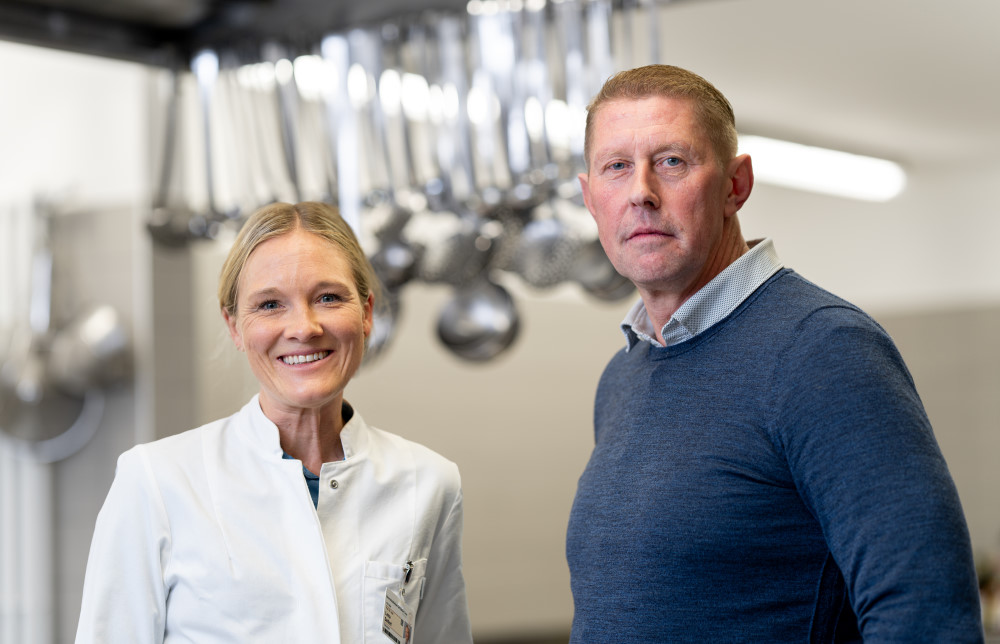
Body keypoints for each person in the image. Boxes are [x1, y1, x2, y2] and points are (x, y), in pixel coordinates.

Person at [565, 64, 984, 642]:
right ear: (590, 199)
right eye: (616, 167)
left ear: (736, 185)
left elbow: (925, 611)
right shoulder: (623, 375)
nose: (640, 192)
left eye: (672, 161)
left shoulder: (822, 350)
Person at [75, 201, 473, 643]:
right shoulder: (157, 481)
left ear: (366, 313)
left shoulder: (429, 483)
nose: (304, 327)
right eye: (269, 304)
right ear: (235, 326)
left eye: (328, 297)